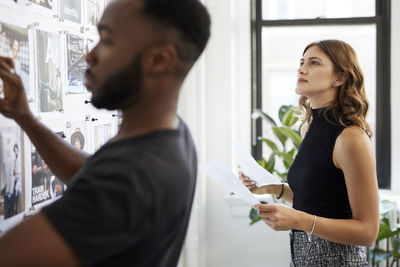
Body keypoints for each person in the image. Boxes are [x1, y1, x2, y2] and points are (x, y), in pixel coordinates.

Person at [0, 0, 211, 265]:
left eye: (107, 41)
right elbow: (89, 173)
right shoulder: (172, 136)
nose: (89, 55)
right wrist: (25, 118)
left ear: (159, 60)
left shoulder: (130, 179)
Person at [240, 40, 379, 266]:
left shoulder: (351, 138)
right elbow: (320, 199)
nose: (301, 69)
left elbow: (368, 232)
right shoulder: (308, 128)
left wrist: (298, 220)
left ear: (340, 78)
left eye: (314, 63)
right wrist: (269, 187)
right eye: (301, 62)